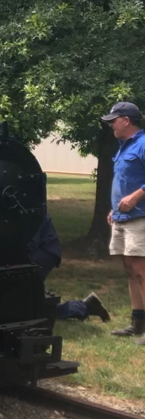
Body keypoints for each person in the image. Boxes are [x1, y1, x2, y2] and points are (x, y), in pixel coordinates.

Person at [101, 102, 145, 344]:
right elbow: (125, 181)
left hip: (140, 217)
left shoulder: (143, 144)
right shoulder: (123, 146)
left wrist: (135, 197)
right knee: (130, 270)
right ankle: (137, 324)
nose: (111, 125)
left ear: (126, 120)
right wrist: (114, 208)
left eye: (113, 120)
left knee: (141, 270)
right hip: (122, 217)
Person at [28, 213, 111, 322]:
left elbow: (29, 244)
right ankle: (86, 305)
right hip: (34, 252)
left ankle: (84, 307)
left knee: (28, 307)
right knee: (27, 305)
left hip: (41, 253)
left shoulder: (26, 206)